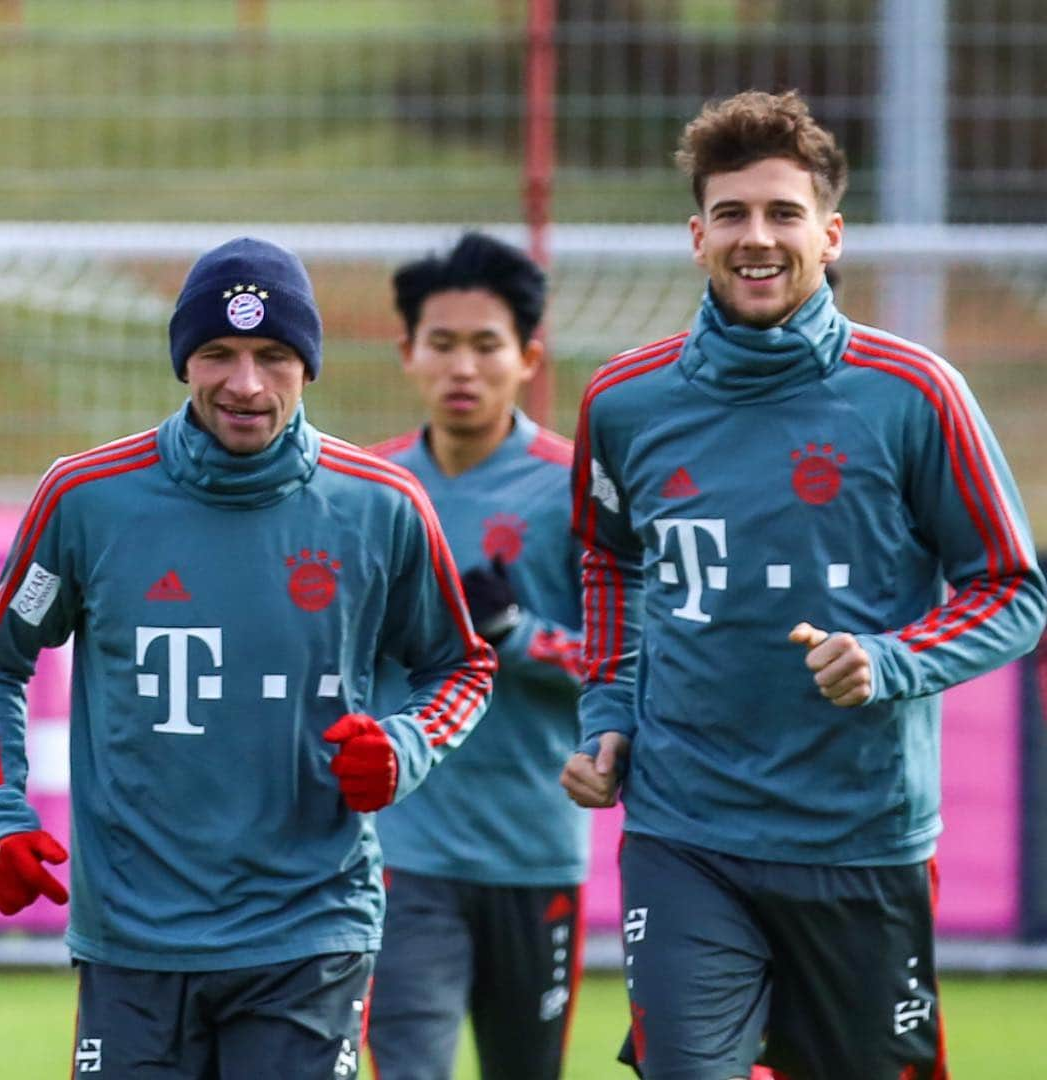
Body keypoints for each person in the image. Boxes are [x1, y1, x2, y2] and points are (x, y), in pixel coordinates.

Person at [560, 90, 1047, 1080]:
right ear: (696, 235)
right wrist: (608, 709)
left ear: (832, 237)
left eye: (784, 214)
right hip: (682, 829)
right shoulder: (623, 400)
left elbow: (1014, 591)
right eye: (732, 214)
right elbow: (609, 559)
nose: (757, 238)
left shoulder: (915, 395)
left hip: (861, 839)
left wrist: (891, 659)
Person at [0, 236, 496, 1078]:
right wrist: (1, 821)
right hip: (134, 941)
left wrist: (404, 748)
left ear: (308, 365)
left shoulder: (382, 506)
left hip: (309, 932)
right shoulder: (86, 499)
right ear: (184, 361)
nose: (246, 384)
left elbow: (461, 669)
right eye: (218, 353)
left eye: (273, 355)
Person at [365, 231, 588, 1080]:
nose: (464, 366)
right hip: (403, 855)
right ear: (408, 354)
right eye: (443, 344)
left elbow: (628, 661)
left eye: (486, 345)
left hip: (537, 854)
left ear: (528, 357)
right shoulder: (368, 489)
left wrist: (517, 636)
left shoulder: (576, 488)